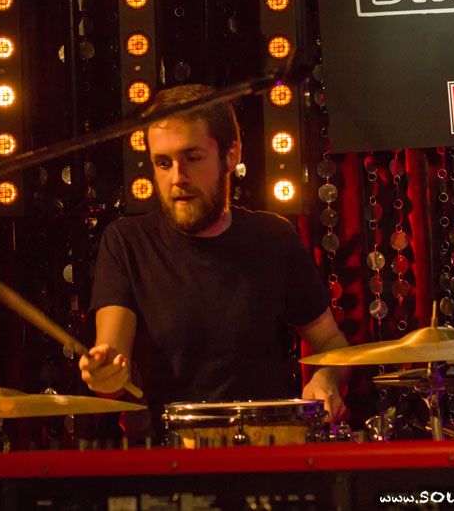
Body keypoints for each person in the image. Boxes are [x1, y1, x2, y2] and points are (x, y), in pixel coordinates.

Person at [79, 84, 349, 433]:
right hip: (167, 451)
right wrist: (105, 373)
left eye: (192, 158)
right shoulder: (127, 242)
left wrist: (326, 379)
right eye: (163, 163)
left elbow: (331, 343)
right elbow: (113, 364)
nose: (177, 178)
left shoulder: (273, 238)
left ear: (231, 155)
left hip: (262, 447)